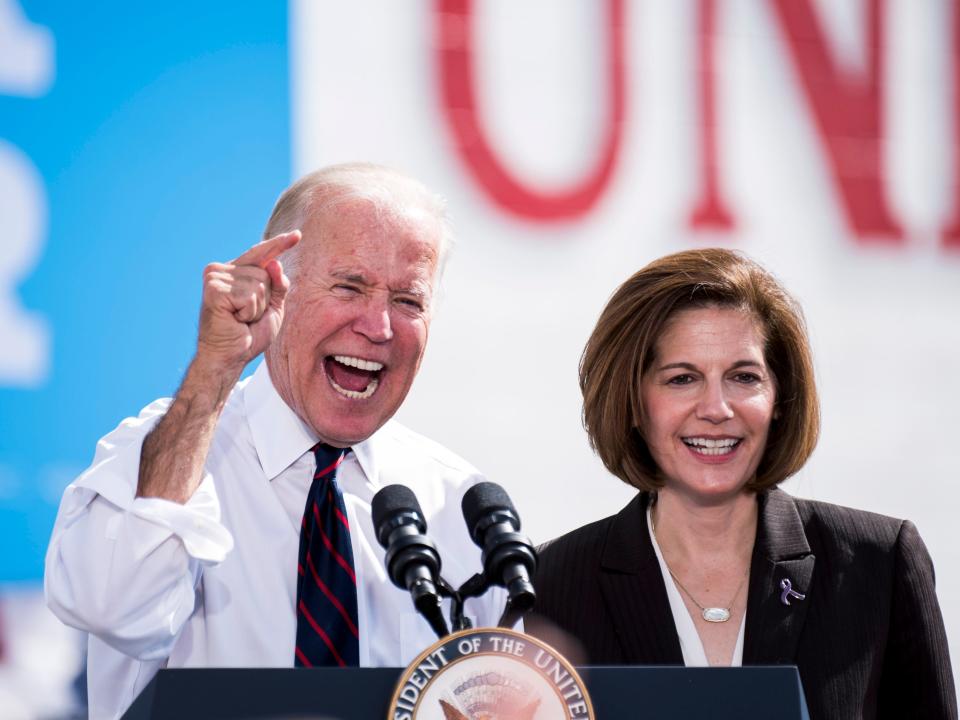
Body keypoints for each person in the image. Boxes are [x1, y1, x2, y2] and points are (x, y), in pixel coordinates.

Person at [45, 163, 507, 720]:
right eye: (349, 286)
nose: (379, 325)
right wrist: (214, 369)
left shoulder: (461, 507)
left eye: (408, 301)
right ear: (273, 287)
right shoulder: (158, 453)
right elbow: (110, 606)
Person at [527, 248, 957, 719]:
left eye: (743, 377)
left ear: (779, 398)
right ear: (632, 401)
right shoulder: (551, 583)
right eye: (682, 378)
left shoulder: (879, 565)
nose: (716, 409)